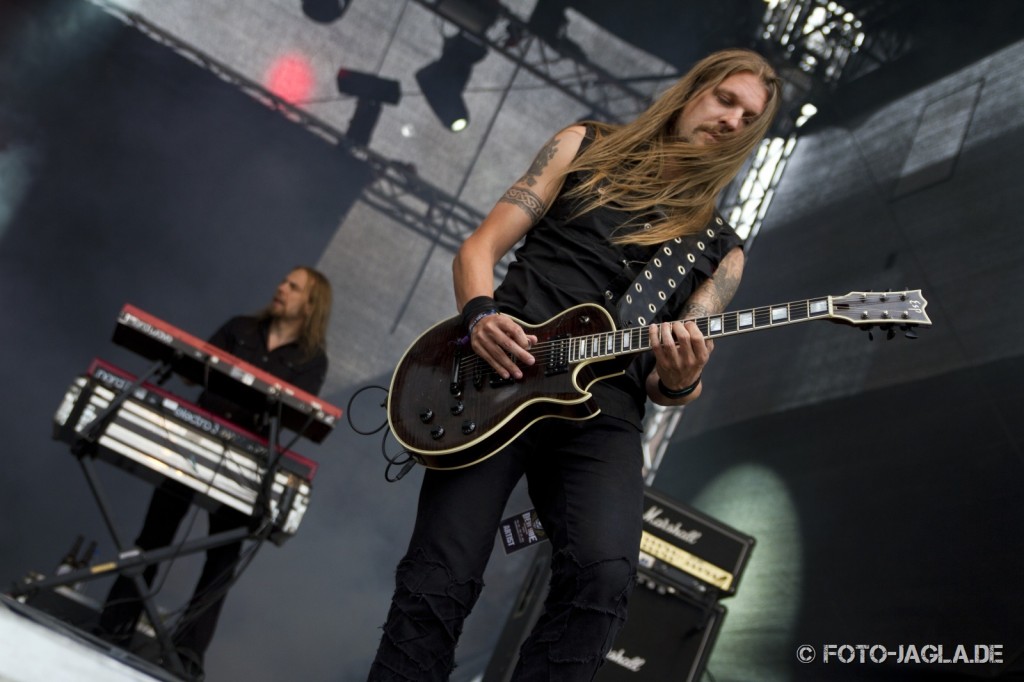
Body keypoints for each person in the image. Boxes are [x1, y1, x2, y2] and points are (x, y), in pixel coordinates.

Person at [368, 49, 782, 681]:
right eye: (726, 99)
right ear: (694, 89)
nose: (732, 120)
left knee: (606, 572)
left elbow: (668, 381)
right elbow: (479, 247)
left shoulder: (721, 250)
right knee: (442, 570)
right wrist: (480, 317)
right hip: (499, 372)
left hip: (605, 411)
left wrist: (679, 379)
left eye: (749, 118)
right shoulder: (583, 145)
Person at [97, 266, 332, 679]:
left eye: (293, 287)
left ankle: (188, 655)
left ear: (311, 305)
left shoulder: (312, 361)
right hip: (195, 442)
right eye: (283, 282)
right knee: (155, 535)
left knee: (222, 559)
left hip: (248, 462)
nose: (281, 288)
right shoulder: (241, 327)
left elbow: (298, 413)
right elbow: (191, 365)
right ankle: (114, 624)